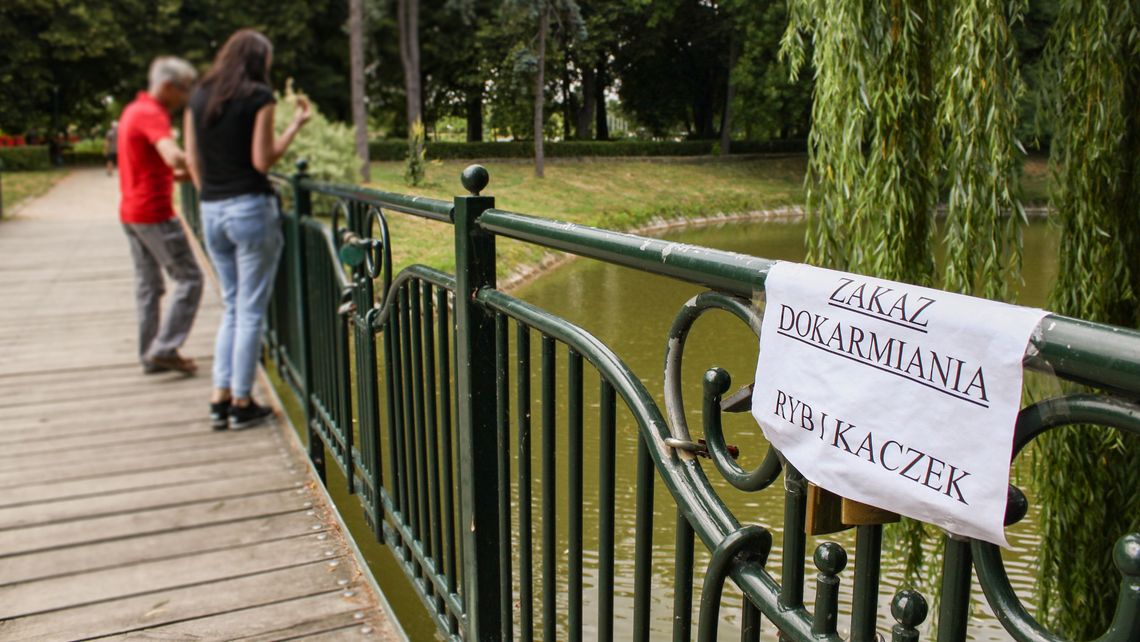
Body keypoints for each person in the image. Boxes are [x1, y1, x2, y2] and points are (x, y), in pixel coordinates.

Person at [184, 29, 311, 430]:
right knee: (251, 311)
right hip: (250, 209)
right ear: (259, 61)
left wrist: (213, 195)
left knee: (233, 306)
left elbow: (192, 159)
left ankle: (219, 398)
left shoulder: (199, 96)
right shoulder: (259, 96)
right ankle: (242, 401)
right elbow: (262, 161)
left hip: (212, 209)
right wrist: (295, 125)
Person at [118, 56, 204, 376]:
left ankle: (150, 353)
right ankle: (165, 348)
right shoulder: (153, 114)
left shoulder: (132, 110)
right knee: (190, 279)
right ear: (168, 86)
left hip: (131, 212)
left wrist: (187, 175)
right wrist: (199, 162)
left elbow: (158, 167)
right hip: (153, 213)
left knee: (149, 286)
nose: (186, 98)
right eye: (184, 91)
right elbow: (173, 156)